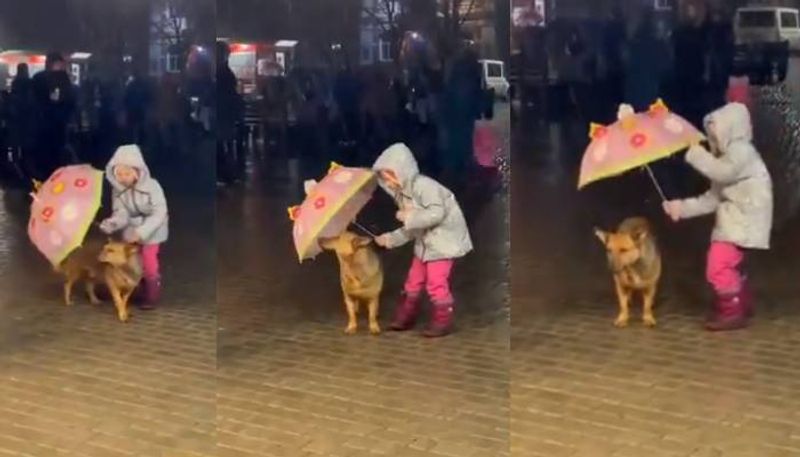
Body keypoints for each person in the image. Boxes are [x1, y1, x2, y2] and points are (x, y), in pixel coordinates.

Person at [662, 103, 772, 331]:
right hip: (735, 219)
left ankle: (732, 309)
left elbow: (723, 172)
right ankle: (739, 301)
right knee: (726, 263)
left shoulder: (742, 151)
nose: (714, 139)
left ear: (730, 130)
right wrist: (680, 208)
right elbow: (712, 199)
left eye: (716, 134)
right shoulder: (726, 158)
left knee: (717, 265)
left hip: (745, 218)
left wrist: (695, 154)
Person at [373, 143, 473, 337]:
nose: (388, 182)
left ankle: (442, 320)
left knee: (436, 282)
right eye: (385, 179)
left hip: (444, 244)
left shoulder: (425, 187)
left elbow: (436, 213)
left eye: (390, 176)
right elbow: (412, 228)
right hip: (425, 245)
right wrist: (390, 239)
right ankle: (406, 316)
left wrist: (409, 216)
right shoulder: (403, 195)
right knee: (413, 281)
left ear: (401, 172)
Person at [99, 144, 169, 309]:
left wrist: (142, 232)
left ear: (137, 172)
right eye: (119, 174)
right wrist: (113, 223)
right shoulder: (118, 190)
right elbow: (121, 212)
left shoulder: (152, 186)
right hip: (131, 230)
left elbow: (160, 212)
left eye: (127, 173)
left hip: (153, 230)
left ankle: (151, 295)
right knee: (132, 261)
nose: (123, 178)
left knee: (149, 260)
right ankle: (137, 286)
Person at [31, 52, 76, 180]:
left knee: (46, 157)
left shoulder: (38, 78)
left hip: (43, 125)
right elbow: (70, 100)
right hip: (57, 123)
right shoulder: (61, 78)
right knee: (56, 156)